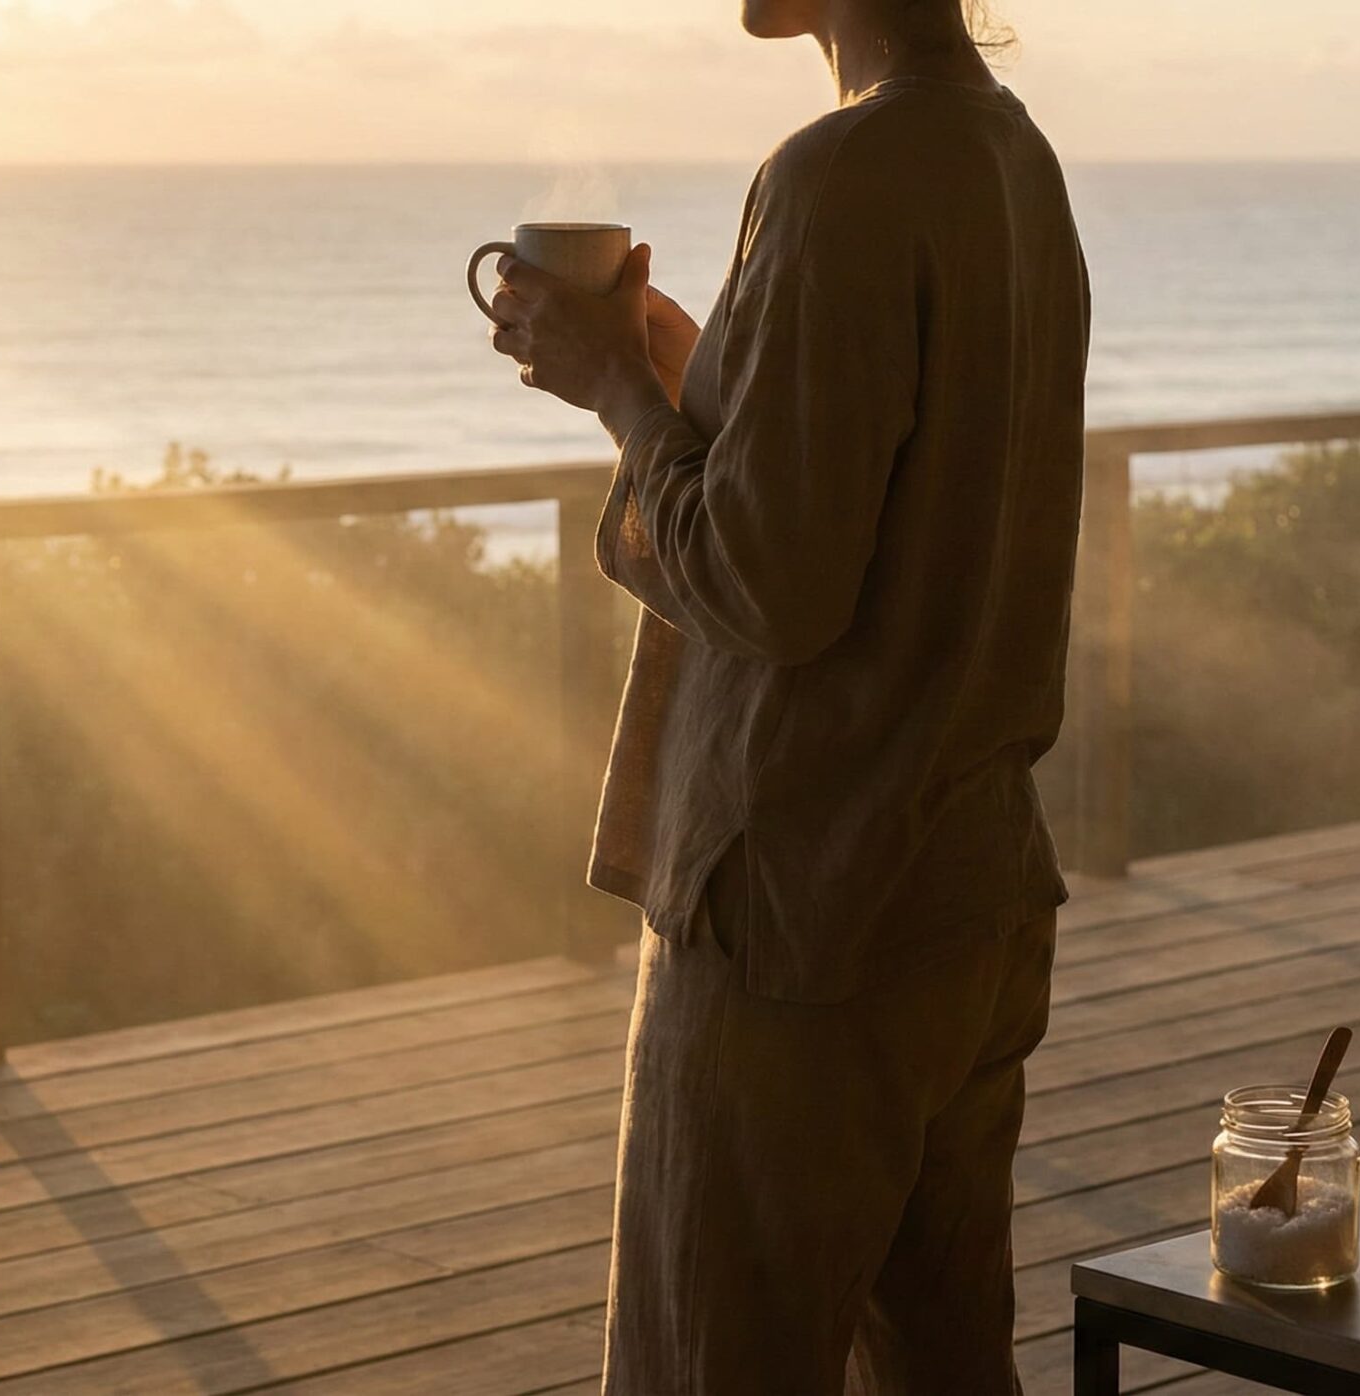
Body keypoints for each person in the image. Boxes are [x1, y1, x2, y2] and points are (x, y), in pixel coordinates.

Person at [484, 0, 1089, 1391]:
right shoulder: (1010, 157)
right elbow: (903, 484)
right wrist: (697, 372)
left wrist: (617, 400)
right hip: (965, 896)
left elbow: (772, 582)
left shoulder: (837, 174)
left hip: (799, 915)